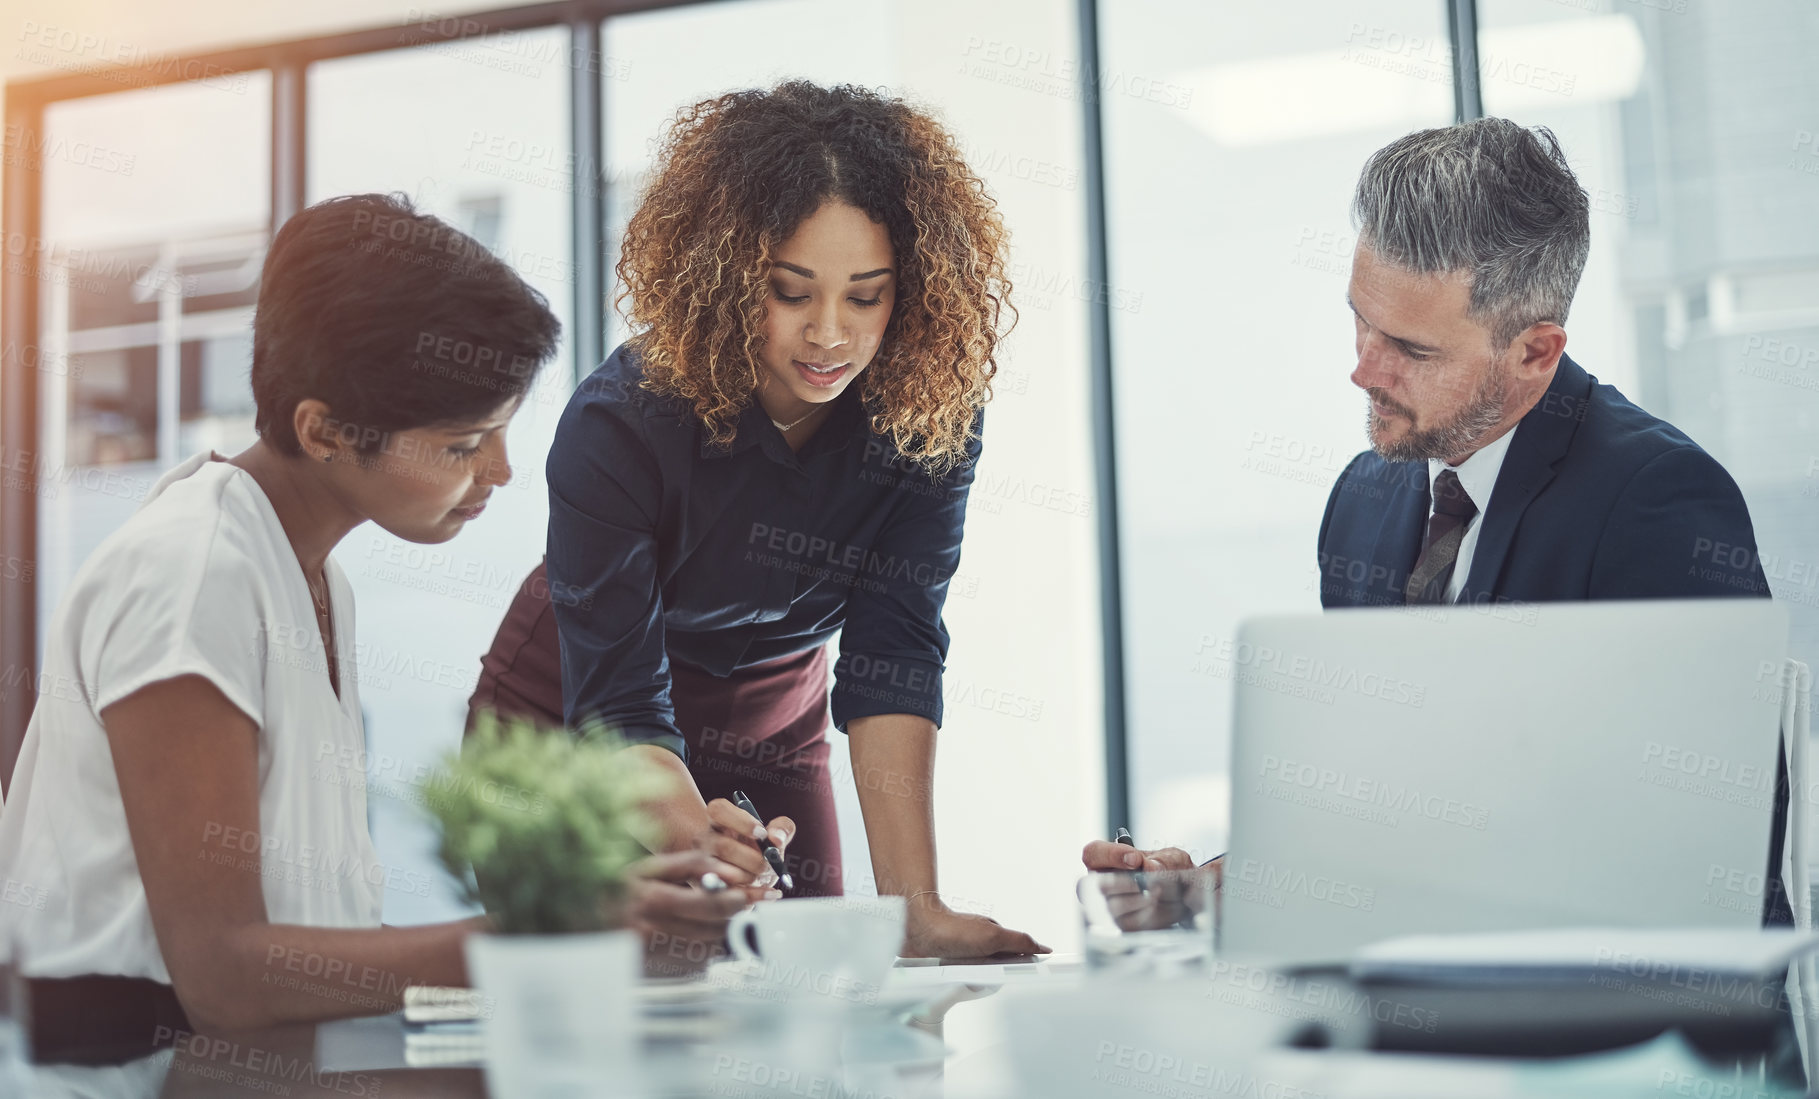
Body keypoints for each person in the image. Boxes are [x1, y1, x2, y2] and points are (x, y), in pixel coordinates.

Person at [0, 194, 758, 1036]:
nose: (501, 471)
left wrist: (612, 935)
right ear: (324, 431)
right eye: (464, 444)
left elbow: (323, 952)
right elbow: (224, 975)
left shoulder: (310, 578)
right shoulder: (194, 573)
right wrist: (553, 937)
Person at [1090, 120, 1782, 923]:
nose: (1361, 368)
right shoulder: (1366, 495)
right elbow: (1371, 812)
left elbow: (1709, 854)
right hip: (1415, 1000)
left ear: (1534, 350)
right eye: (1360, 319)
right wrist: (1209, 885)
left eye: (1410, 350)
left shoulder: (1657, 500)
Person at [468, 81, 1047, 958]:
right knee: (628, 996)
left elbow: (893, 652)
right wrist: (691, 834)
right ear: (729, 275)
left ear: (913, 289)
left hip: (775, 717)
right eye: (790, 291)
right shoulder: (619, 421)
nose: (828, 335)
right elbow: (620, 704)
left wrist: (916, 909)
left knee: (809, 985)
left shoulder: (929, 416)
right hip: (574, 714)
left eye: (866, 296)